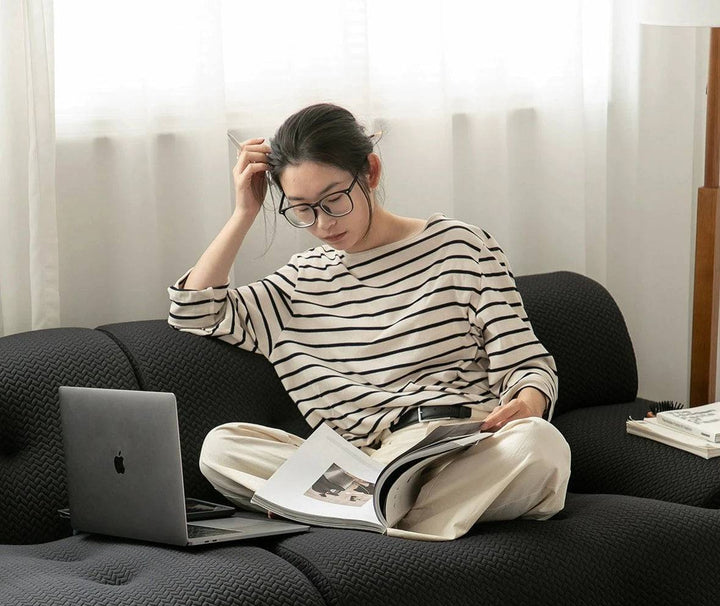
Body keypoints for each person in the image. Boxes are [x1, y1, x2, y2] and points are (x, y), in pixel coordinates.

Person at [168, 103, 571, 541]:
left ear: (371, 172)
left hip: (460, 448)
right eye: (302, 209)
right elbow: (193, 311)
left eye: (334, 199)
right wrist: (243, 213)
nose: (322, 223)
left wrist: (527, 403)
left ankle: (361, 519)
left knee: (540, 446)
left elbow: (527, 365)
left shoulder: (460, 247)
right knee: (222, 447)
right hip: (356, 469)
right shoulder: (300, 283)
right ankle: (399, 516)